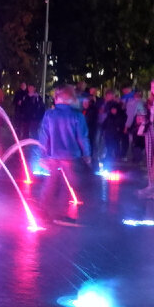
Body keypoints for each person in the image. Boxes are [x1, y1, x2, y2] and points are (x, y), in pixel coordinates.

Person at [37, 85, 92, 224]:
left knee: (50, 183)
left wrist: (42, 155)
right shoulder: (77, 116)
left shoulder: (50, 114)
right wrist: (87, 154)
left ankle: (42, 210)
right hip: (70, 156)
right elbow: (83, 137)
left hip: (53, 155)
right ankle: (61, 214)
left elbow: (43, 136)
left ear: (58, 99)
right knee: (68, 185)